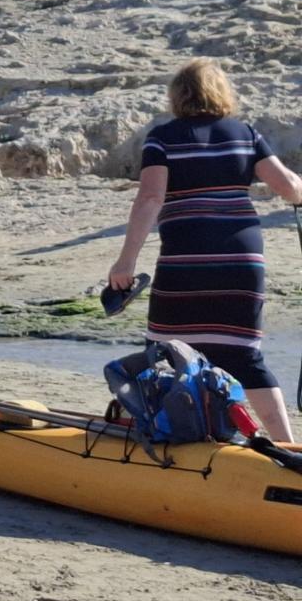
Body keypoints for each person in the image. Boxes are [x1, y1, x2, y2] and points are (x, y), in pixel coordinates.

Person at [108, 58, 302, 443]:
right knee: (245, 356)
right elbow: (292, 187)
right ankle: (288, 447)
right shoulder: (245, 133)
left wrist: (126, 261)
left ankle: (167, 433)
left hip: (186, 262)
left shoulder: (162, 137)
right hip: (241, 262)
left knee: (166, 352)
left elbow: (150, 198)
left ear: (178, 96)